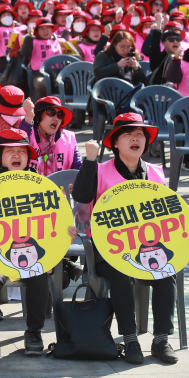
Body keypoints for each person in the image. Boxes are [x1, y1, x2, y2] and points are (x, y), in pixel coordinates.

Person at [0, 128, 79, 356]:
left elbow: (55, 220)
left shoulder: (37, 182)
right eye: (10, 151)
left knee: (40, 274)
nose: (16, 155)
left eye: (22, 151)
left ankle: (34, 331)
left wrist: (65, 235)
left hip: (31, 252)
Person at [72, 114, 178, 365]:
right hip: (108, 251)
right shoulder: (99, 170)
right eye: (128, 134)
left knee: (167, 271)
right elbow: (82, 198)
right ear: (115, 143)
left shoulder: (155, 172)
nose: (136, 138)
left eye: (141, 134)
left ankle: (161, 338)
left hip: (147, 248)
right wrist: (88, 160)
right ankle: (130, 339)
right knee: (120, 273)